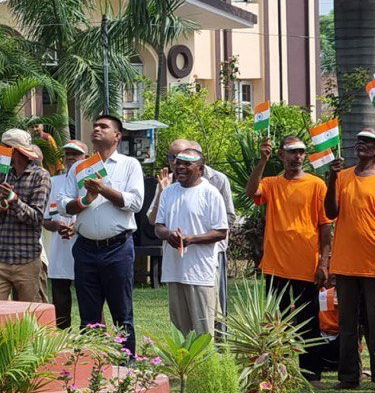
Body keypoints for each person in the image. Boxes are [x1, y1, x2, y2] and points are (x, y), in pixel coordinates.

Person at [246, 136, 334, 379]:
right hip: (276, 266)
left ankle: (311, 373)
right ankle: (277, 371)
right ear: (281, 156)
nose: (297, 157)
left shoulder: (317, 185)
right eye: (292, 152)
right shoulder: (272, 183)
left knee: (309, 321)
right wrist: (262, 161)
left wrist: (324, 262)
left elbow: (326, 227)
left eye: (301, 152)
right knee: (276, 322)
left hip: (307, 265)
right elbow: (251, 190)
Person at [325, 130, 375, 392]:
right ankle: (348, 377)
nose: (363, 145)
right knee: (346, 324)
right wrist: (332, 177)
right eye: (360, 141)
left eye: (370, 142)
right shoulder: (342, 177)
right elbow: (330, 212)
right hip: (345, 263)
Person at [65, 114, 145, 351]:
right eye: (95, 126)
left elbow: (135, 202)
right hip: (85, 248)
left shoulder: (130, 165)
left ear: (117, 136)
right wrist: (85, 200)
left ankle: (126, 364)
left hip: (118, 248)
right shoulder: (80, 168)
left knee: (122, 312)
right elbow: (64, 204)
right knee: (88, 314)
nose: (97, 129)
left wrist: (104, 189)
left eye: (104, 127)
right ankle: (93, 364)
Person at [154, 137, 236, 319]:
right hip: (174, 268)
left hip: (201, 268)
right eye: (177, 163)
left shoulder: (211, 191)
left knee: (205, 323)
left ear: (200, 169)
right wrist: (168, 234)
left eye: (186, 164)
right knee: (179, 322)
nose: (180, 167)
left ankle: (212, 348)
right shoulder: (168, 191)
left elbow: (222, 230)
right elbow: (157, 226)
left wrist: (191, 239)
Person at [0, 129, 51, 302]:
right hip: (0, 257)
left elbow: (36, 218)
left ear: (13, 150)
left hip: (27, 258)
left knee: (30, 317)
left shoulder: (40, 176)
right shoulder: (3, 175)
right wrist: (2, 205)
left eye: (3, 148)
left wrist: (14, 199)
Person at [44, 140, 87, 329]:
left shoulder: (92, 181)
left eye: (75, 154)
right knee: (60, 297)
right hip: (60, 249)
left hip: (86, 247)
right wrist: (57, 225)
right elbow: (45, 219)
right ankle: (62, 337)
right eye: (67, 154)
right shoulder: (54, 182)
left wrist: (76, 227)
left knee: (90, 297)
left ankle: (94, 337)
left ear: (86, 158)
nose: (70, 158)